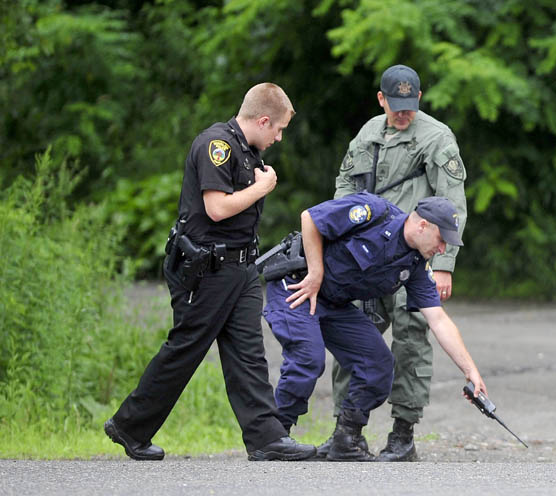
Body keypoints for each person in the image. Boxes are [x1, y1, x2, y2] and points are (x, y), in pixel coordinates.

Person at [104, 83, 316, 462]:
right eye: (279, 129)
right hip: (210, 269)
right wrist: (264, 187)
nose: (279, 138)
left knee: (249, 354)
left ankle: (266, 437)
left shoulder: (248, 152)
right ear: (263, 120)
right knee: (185, 349)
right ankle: (130, 426)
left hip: (242, 268)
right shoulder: (215, 146)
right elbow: (216, 208)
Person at [261, 192, 486, 461]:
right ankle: (273, 439)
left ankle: (346, 439)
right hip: (298, 285)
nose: (442, 250)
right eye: (441, 240)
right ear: (422, 225)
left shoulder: (415, 265)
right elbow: (310, 218)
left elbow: (438, 319)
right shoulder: (373, 212)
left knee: (377, 364)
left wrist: (471, 371)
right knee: (308, 358)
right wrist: (316, 273)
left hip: (333, 302)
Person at [326, 64, 468, 461]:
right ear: (381, 99)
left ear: (419, 99)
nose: (403, 114)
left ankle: (402, 435)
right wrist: (337, 238)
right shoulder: (367, 135)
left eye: (410, 106)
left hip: (414, 260)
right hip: (363, 260)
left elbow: (452, 205)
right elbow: (343, 188)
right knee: (353, 338)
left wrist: (445, 263)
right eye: (395, 106)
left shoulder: (437, 138)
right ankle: (347, 432)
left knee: (411, 342)